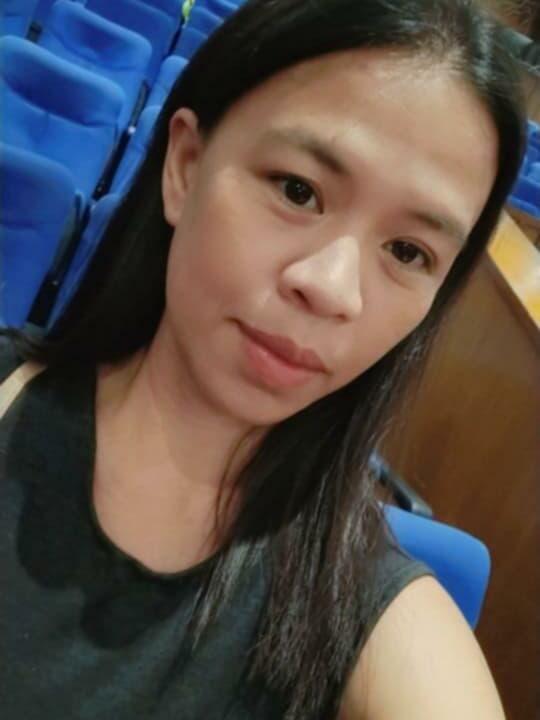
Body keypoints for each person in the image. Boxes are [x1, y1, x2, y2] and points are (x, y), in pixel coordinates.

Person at [0, 1, 526, 718]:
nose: (332, 288)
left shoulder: (377, 620)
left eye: (408, 252)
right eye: (297, 190)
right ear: (186, 166)